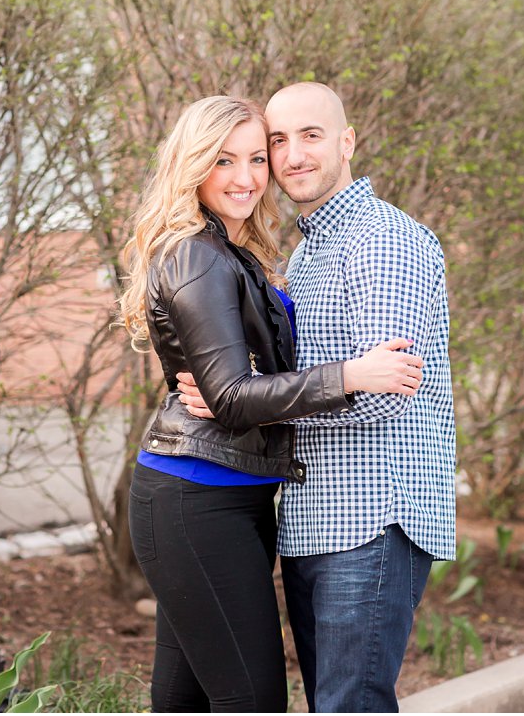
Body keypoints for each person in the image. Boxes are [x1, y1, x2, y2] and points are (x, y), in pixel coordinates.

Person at [119, 95, 424, 712]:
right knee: (251, 700)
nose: (247, 177)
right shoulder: (198, 255)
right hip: (196, 500)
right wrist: (351, 375)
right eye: (224, 160)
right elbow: (230, 396)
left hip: (225, 497)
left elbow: (224, 381)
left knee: (184, 701)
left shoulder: (233, 253)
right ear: (194, 164)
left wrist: (249, 394)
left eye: (258, 158)